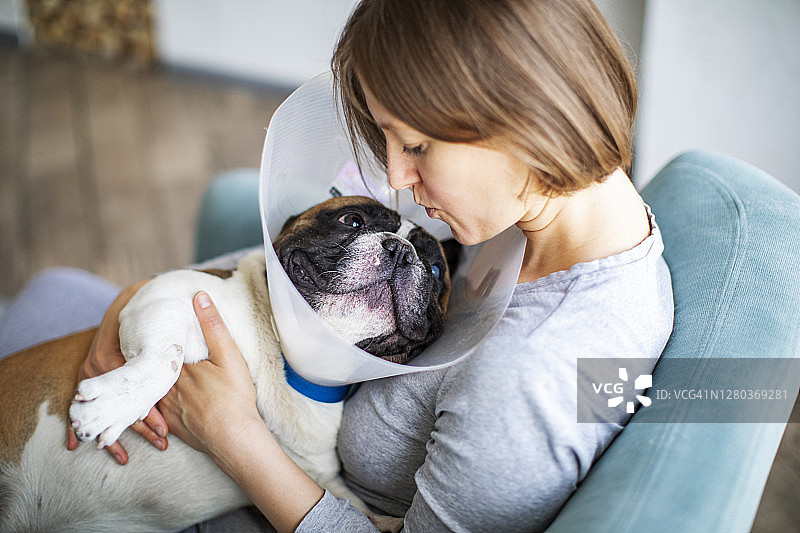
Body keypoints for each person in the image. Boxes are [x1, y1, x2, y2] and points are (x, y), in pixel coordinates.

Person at [0, 0, 673, 531]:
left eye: (416, 145)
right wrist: (141, 303)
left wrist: (236, 437)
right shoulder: (523, 207)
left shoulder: (535, 370)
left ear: (527, 119)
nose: (401, 179)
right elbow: (302, 257)